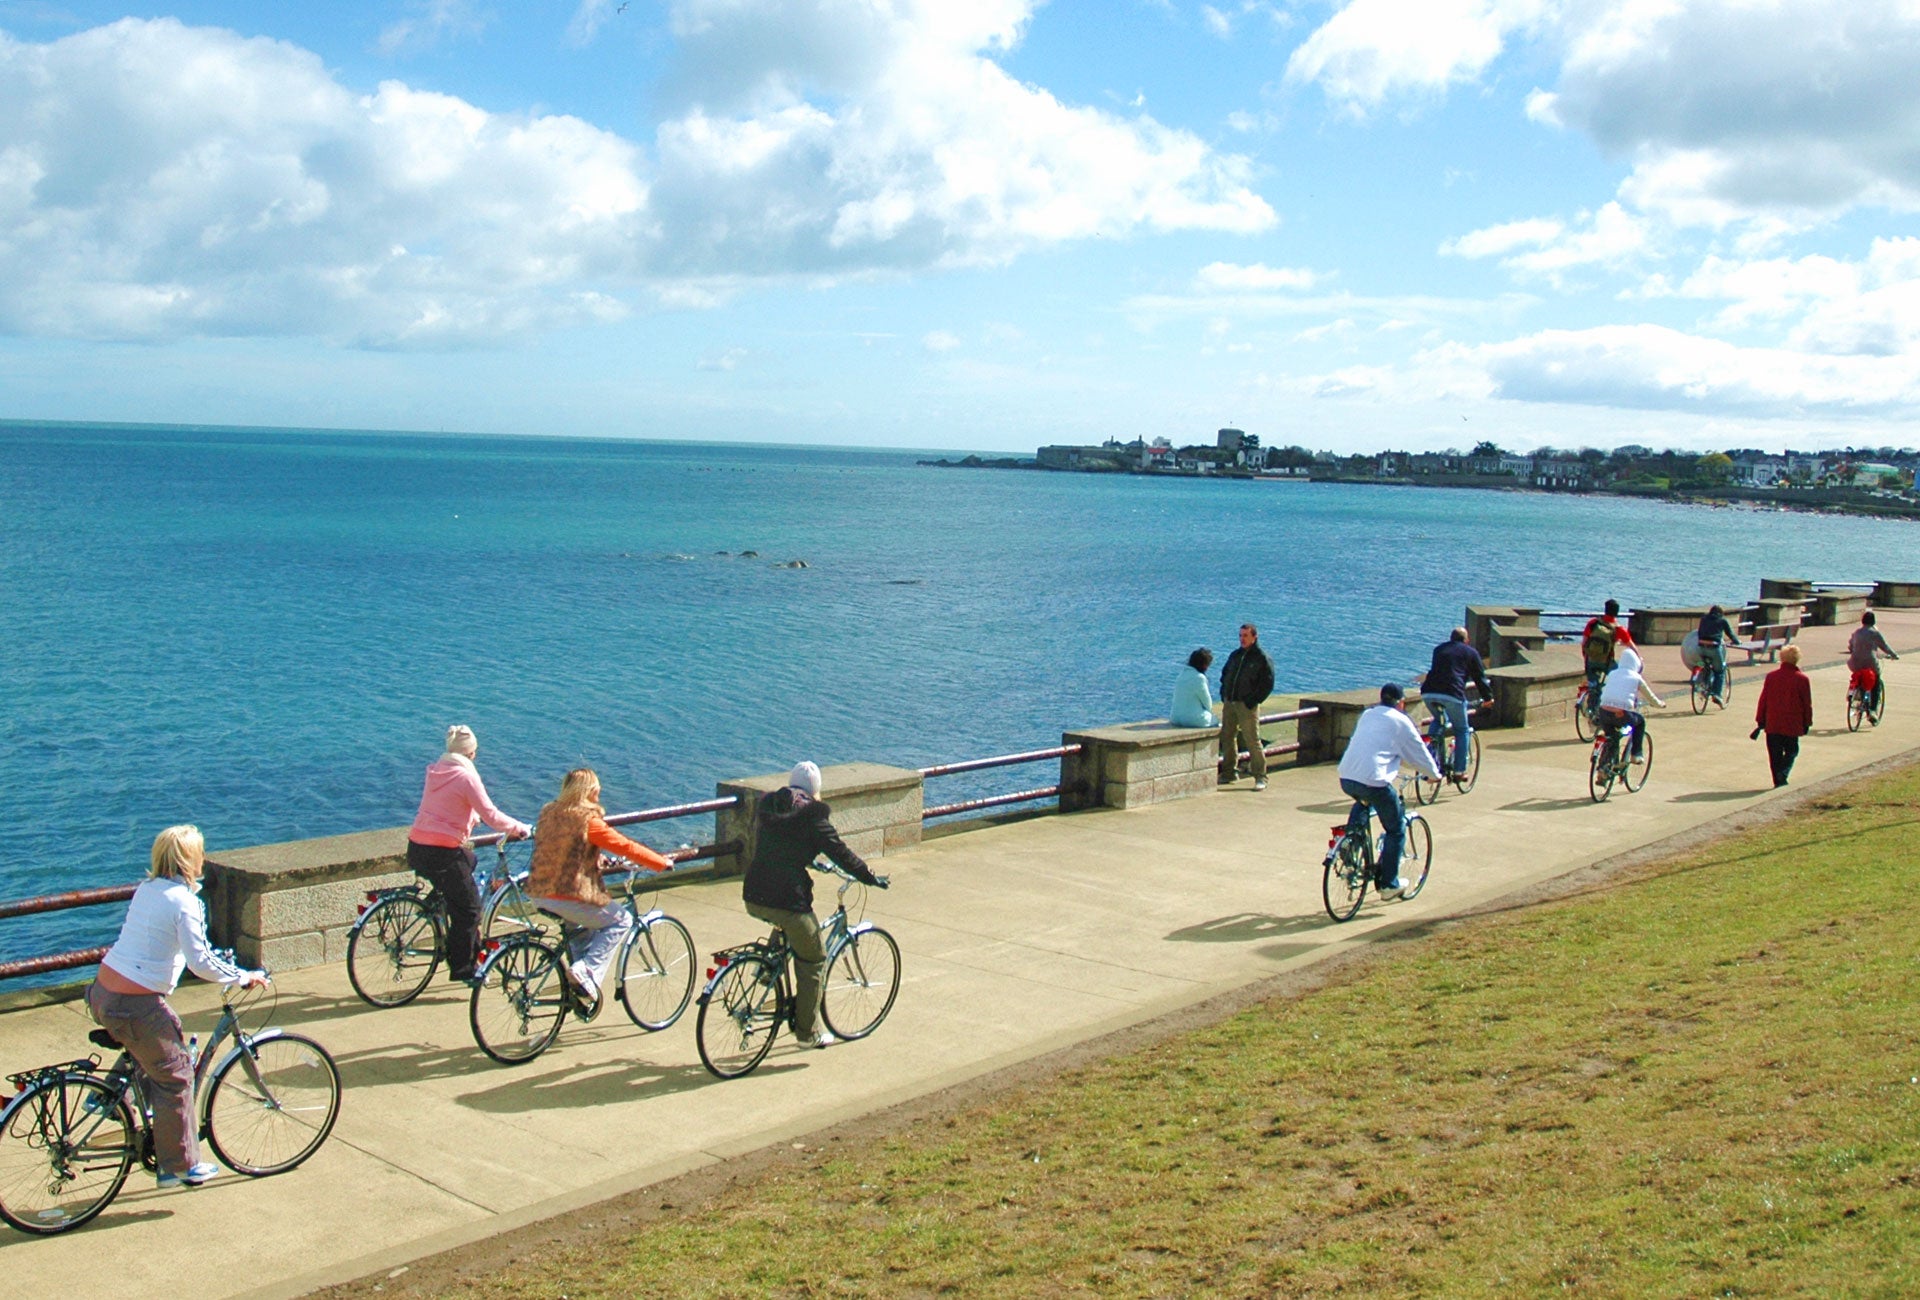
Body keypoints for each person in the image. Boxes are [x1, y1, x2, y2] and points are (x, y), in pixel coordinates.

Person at [86, 826, 269, 1189]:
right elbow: (201, 962)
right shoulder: (185, 901)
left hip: (102, 991)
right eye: (200, 853)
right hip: (133, 1003)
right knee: (176, 1075)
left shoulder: (148, 889)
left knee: (155, 1040)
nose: (204, 858)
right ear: (190, 860)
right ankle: (178, 1166)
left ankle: (108, 1097)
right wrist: (242, 977)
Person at [741, 762, 886, 1049]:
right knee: (814, 959)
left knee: (790, 930)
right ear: (815, 790)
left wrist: (808, 859)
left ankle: (769, 969)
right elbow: (841, 853)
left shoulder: (771, 808)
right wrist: (869, 877)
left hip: (753, 893)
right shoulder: (813, 818)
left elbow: (779, 847)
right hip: (786, 899)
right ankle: (808, 1034)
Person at [527, 768, 674, 1010]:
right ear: (591, 791)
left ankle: (578, 991)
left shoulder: (549, 813)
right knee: (621, 921)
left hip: (538, 892)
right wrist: (660, 863)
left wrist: (595, 857)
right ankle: (586, 972)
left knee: (581, 934)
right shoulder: (589, 821)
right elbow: (625, 846)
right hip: (568, 895)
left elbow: (561, 848)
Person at [406, 725, 530, 985]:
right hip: (442, 852)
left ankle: (439, 907)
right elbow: (492, 814)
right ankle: (464, 969)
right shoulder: (466, 777)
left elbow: (444, 806)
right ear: (470, 753)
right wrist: (520, 828)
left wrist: (470, 818)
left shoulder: (436, 771)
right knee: (470, 911)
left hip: (417, 846)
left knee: (469, 861)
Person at [1336, 684, 1443, 896]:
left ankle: (1350, 841)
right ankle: (1388, 884)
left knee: (1363, 801)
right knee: (1396, 829)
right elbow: (1418, 752)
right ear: (1401, 702)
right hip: (1373, 780)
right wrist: (1434, 774)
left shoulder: (1368, 715)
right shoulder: (1402, 721)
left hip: (1347, 775)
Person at [1419, 627, 1491, 781]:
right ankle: (1459, 771)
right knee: (1462, 729)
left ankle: (1432, 766)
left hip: (1428, 692)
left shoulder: (1439, 649)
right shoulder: (1470, 652)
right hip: (1452, 694)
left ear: (1451, 638)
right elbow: (1480, 678)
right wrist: (1488, 698)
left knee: (1438, 721)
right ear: (1466, 640)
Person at [1217, 623, 1275, 791]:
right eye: (1240, 636)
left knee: (1252, 740)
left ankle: (1260, 776)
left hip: (1247, 705)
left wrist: (1253, 700)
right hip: (1230, 703)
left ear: (1254, 637)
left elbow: (1268, 683)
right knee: (1227, 737)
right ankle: (1229, 772)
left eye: (1246, 636)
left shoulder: (1261, 658)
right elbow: (1225, 674)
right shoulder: (1235, 655)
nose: (1242, 639)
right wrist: (1224, 693)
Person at [1755, 645, 1814, 787]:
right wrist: (1807, 722)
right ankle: (1784, 773)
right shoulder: (1802, 679)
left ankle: (1778, 780)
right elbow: (1807, 704)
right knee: (1792, 751)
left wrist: (1760, 719)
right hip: (1792, 723)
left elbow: (1764, 699)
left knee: (1774, 754)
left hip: (1773, 721)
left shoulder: (1771, 677)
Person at [1598, 645, 1665, 762]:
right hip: (1621, 712)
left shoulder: (1612, 674)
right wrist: (1659, 704)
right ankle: (1636, 754)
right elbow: (1650, 696)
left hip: (1603, 711)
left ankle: (1604, 767)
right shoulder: (1636, 677)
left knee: (1611, 737)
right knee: (1640, 723)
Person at [1846, 610, 1900, 714]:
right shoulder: (1874, 633)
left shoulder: (1856, 632)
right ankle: (1872, 709)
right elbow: (1884, 646)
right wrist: (1894, 655)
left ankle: (1857, 694)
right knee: (1876, 681)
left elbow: (1850, 646)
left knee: (1860, 678)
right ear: (1873, 622)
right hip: (1870, 662)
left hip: (1854, 663)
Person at [1581, 599, 1636, 693]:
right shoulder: (1618, 629)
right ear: (1617, 612)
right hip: (1606, 663)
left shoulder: (1593, 623)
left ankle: (1590, 703)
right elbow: (1632, 646)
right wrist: (1639, 658)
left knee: (1592, 685)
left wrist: (1586, 656)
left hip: (1590, 660)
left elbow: (1584, 643)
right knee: (1620, 676)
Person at [1695, 604, 1744, 703]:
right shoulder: (1722, 621)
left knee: (1706, 667)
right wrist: (1737, 642)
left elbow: (1699, 632)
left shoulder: (1704, 619)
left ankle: (1703, 686)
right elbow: (1730, 633)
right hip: (1714, 648)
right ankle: (1717, 694)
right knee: (1719, 671)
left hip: (1701, 647)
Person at [1170, 648, 1216, 728]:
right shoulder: (1199, 678)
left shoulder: (1181, 675)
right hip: (1193, 720)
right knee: (1216, 720)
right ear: (1204, 664)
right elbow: (1208, 704)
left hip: (1175, 717)